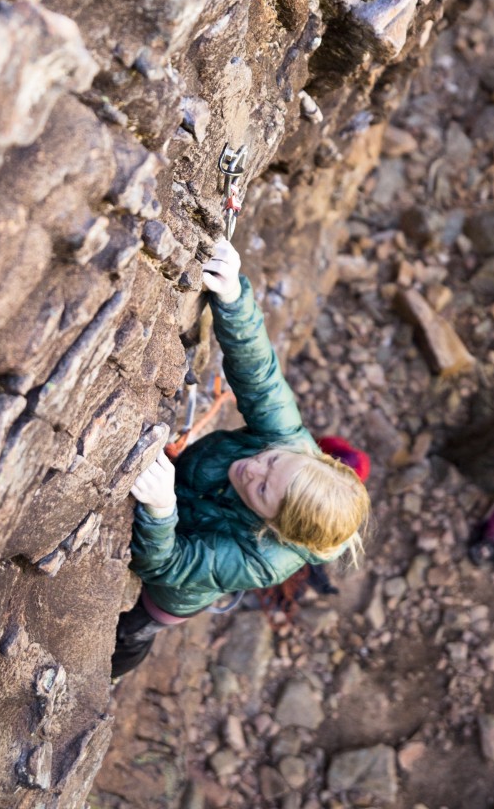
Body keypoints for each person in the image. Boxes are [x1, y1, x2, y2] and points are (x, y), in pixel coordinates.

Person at [111, 239, 370, 678]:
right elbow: (258, 374)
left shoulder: (265, 558)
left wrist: (161, 510)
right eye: (271, 462)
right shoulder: (287, 442)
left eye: (264, 489)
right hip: (179, 490)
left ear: (273, 525)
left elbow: (169, 565)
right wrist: (232, 297)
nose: (254, 468)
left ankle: (116, 667)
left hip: (174, 589)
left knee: (135, 630)